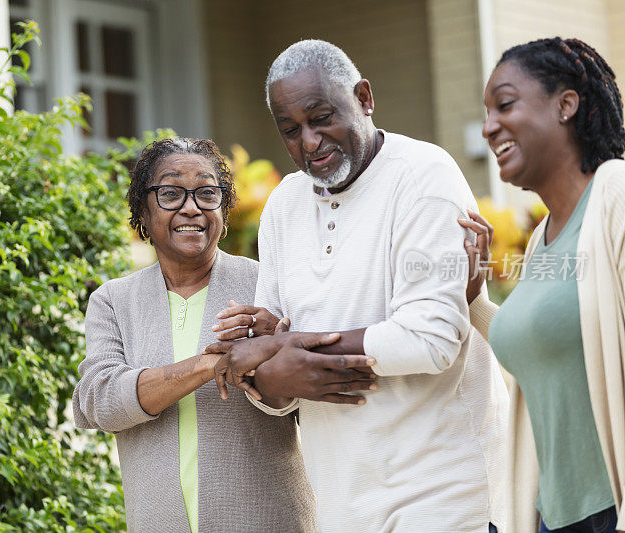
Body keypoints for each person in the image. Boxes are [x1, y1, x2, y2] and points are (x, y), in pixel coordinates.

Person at [206, 40, 509, 532]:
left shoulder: (423, 177)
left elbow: (431, 338)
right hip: (343, 502)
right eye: (290, 130)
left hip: (444, 496)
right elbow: (278, 376)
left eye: (321, 117)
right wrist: (267, 376)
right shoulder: (283, 205)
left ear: (364, 98)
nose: (309, 142)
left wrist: (291, 346)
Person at [72, 138, 371, 532]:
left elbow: (298, 403)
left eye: (207, 193)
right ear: (143, 212)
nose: (191, 207)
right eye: (171, 193)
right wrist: (208, 365)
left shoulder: (266, 283)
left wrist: (277, 342)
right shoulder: (114, 301)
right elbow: (99, 402)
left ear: (224, 211)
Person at [460, 37, 625, 533]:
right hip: (555, 515)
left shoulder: (615, 194)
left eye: (505, 105)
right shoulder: (540, 241)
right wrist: (474, 299)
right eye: (486, 113)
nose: (489, 127)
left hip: (610, 508)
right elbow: (544, 351)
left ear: (566, 105)